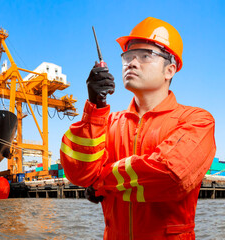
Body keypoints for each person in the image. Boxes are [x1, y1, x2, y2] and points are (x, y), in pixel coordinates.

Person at [60, 17, 216, 240]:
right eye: (128, 56)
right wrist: (95, 108)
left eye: (145, 56)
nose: (131, 63)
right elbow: (77, 172)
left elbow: (170, 175)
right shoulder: (107, 122)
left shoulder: (196, 120)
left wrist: (100, 182)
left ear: (169, 70)